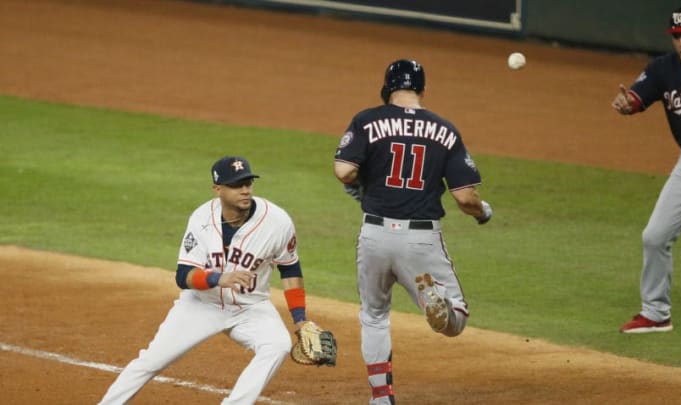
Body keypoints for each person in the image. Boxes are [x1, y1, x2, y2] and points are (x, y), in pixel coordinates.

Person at [333, 59, 493, 404]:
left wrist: (364, 181)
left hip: (374, 235)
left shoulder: (368, 119)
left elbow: (344, 170)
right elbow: (465, 197)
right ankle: (439, 308)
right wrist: (483, 213)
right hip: (421, 240)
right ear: (422, 90)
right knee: (458, 318)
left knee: (374, 315)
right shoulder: (445, 130)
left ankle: (381, 398)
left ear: (387, 88)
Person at [99, 156, 311, 404]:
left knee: (278, 344)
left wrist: (300, 319)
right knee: (150, 361)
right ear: (218, 190)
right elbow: (183, 276)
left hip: (250, 306)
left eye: (248, 183)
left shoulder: (277, 221)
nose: (245, 190)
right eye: (236, 185)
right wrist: (219, 278)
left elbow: (290, 268)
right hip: (201, 304)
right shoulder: (201, 219)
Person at [612, 6, 681, 333]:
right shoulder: (663, 69)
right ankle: (656, 314)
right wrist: (625, 105)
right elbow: (635, 98)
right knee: (655, 237)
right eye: (676, 37)